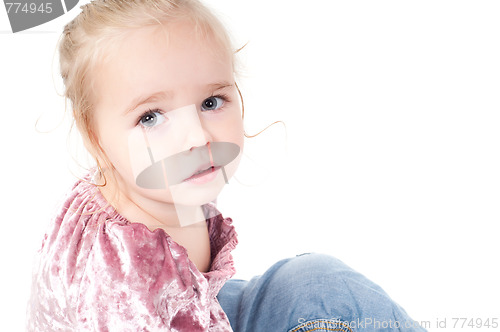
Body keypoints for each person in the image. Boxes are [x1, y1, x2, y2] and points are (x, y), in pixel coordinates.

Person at [27, 0, 427, 331]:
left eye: (211, 102)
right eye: (150, 117)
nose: (197, 138)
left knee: (321, 284)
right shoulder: (123, 284)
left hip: (198, 307)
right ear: (94, 136)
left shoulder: (154, 185)